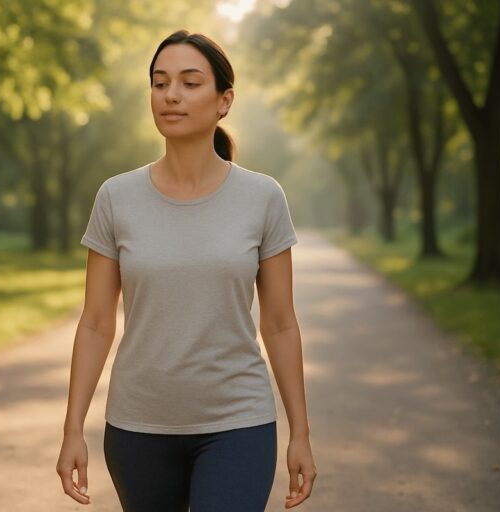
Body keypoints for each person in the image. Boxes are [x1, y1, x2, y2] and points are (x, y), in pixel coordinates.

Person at [56, 29, 317, 511]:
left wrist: (300, 432)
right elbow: (95, 323)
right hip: (138, 427)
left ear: (225, 100)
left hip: (239, 421)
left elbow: (280, 324)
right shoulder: (117, 197)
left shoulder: (263, 198)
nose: (171, 95)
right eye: (160, 83)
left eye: (190, 83)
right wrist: (73, 428)